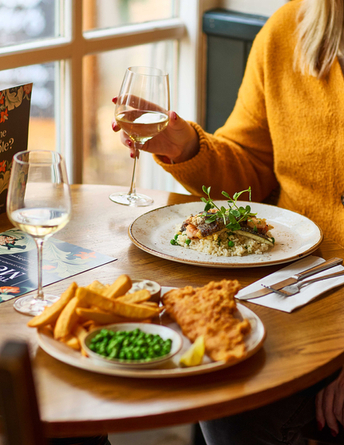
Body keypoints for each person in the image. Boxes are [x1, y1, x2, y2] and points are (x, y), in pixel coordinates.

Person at [112, 0, 344, 443]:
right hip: (290, 291)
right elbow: (252, 169)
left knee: (236, 417)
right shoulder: (286, 31)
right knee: (217, 379)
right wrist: (187, 150)